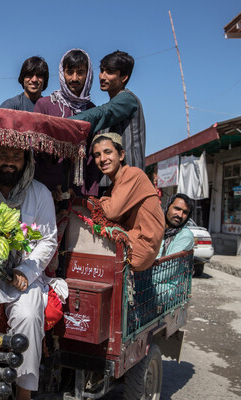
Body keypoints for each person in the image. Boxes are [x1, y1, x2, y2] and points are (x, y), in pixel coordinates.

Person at [0, 146, 57, 399]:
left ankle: (24, 393)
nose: (9, 163)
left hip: (22, 277)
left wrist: (25, 271)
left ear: (26, 161)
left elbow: (48, 241)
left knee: (28, 315)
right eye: (4, 156)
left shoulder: (40, 193)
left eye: (16, 157)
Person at [91, 133, 163, 271]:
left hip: (140, 248)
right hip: (131, 242)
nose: (103, 159)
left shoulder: (134, 174)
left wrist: (102, 200)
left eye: (108, 152)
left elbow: (112, 212)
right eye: (97, 155)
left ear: (121, 155)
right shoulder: (113, 187)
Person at [33, 48, 98, 196]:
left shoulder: (92, 110)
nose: (74, 78)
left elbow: (92, 159)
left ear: (88, 75)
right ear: (62, 74)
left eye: (80, 72)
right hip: (46, 191)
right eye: (70, 72)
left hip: (78, 193)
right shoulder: (45, 105)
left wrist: (90, 196)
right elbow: (35, 154)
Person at [70, 50, 146, 175]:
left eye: (109, 72)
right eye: (101, 70)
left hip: (128, 178)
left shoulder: (127, 99)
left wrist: (63, 124)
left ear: (124, 77)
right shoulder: (113, 102)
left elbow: (102, 113)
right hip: (108, 180)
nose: (102, 76)